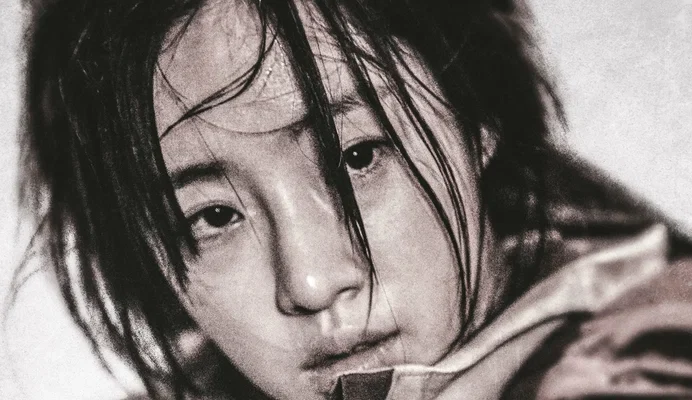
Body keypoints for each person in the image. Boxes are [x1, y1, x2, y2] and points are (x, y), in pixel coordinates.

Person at [17, 0, 692, 398]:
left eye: (357, 158)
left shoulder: (645, 361)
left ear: (476, 111)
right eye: (214, 215)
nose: (311, 283)